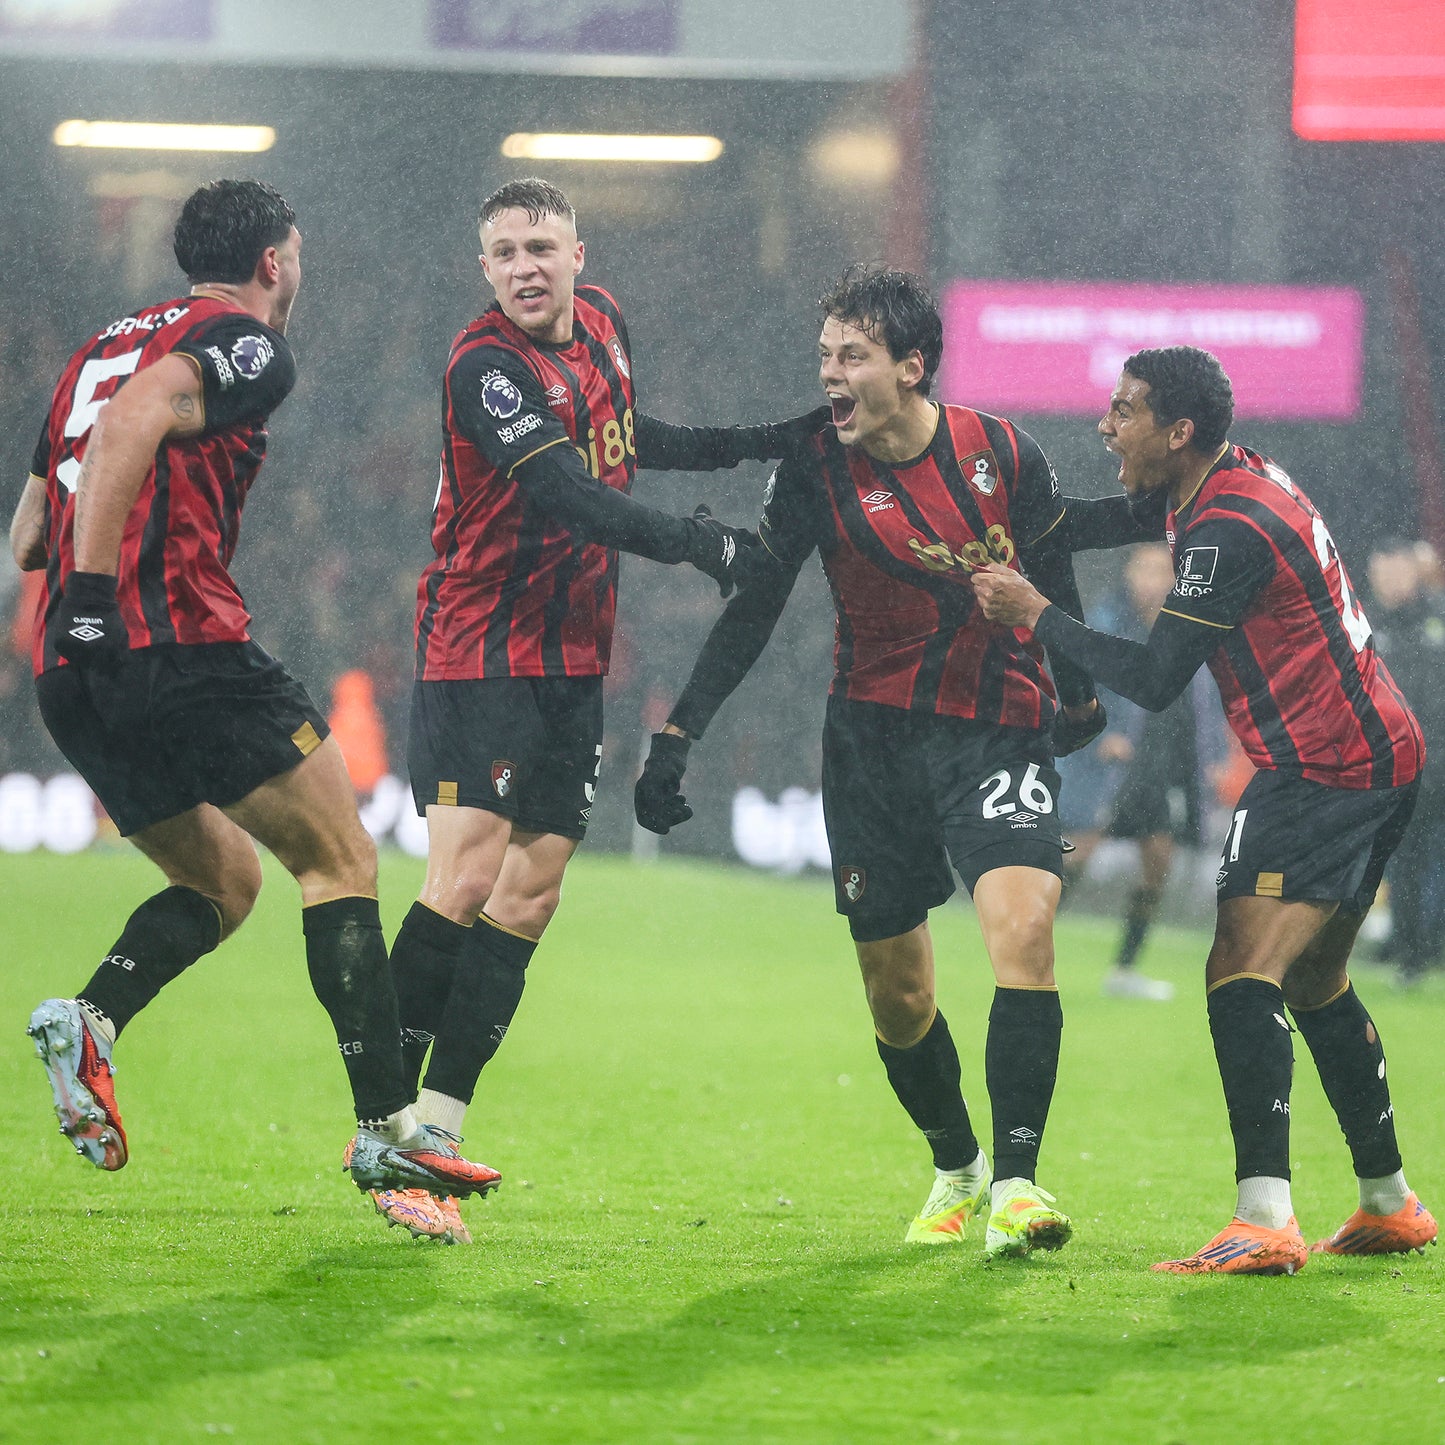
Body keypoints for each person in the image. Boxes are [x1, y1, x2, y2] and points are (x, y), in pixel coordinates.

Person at [14, 179, 498, 1209]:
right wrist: (101, 596)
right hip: (174, 644)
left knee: (225, 880)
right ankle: (387, 1132)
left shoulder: (97, 347)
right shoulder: (243, 341)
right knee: (340, 859)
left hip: (70, 674)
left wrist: (81, 606)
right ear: (273, 260)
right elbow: (136, 420)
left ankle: (91, 1020)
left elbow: (25, 534)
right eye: (298, 253)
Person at [378, 177, 825, 1243]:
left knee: (529, 894)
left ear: (578, 254)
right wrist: (700, 543)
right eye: (504, 253)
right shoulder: (483, 366)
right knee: (465, 877)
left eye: (540, 246)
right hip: (479, 648)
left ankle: (437, 1129)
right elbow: (564, 490)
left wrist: (760, 438)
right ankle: (379, 1127)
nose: (524, 267)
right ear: (484, 270)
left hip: (575, 657)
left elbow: (624, 437)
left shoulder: (606, 325)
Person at [634, 264, 1108, 1259]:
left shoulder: (1003, 453)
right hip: (870, 741)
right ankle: (957, 1163)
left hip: (993, 726)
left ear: (911, 366)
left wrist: (1077, 693)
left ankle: (1017, 1183)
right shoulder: (812, 466)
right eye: (824, 355)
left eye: (851, 356)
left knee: (1023, 929)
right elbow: (756, 605)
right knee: (897, 994)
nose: (830, 375)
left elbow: (1053, 574)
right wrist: (680, 731)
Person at [971, 344, 1438, 1274]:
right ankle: (1388, 1201)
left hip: (1325, 764)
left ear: (1177, 430)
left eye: (1124, 410)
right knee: (1314, 978)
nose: (1105, 425)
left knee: (1239, 969)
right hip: (1377, 749)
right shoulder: (1218, 482)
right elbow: (1088, 520)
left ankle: (1264, 1218)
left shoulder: (1227, 527)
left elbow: (1152, 677)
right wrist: (1003, 511)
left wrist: (1032, 612)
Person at [1061, 542, 1201, 1000]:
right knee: (1076, 855)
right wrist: (1101, 729)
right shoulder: (1106, 620)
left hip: (1154, 766)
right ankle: (1028, 941)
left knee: (1158, 864)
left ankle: (1124, 969)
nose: (1151, 580)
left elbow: (1198, 700)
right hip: (1109, 767)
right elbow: (1075, 677)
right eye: (1143, 568)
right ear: (1128, 574)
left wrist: (1206, 755)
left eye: (1161, 570)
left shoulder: (1183, 628)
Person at [1365, 538, 1445, 981]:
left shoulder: (1438, 619)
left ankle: (1425, 943)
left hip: (1439, 758)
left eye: (1397, 571)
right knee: (1405, 857)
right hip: (1401, 765)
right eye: (1382, 574)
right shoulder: (1368, 628)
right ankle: (1410, 949)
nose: (1390, 582)